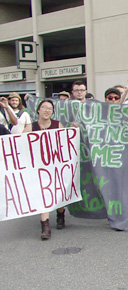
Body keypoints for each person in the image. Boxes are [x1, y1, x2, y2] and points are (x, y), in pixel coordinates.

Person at [31, 99, 65, 239]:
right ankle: (45, 226)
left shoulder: (57, 125)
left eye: (50, 108)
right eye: (44, 107)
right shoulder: (31, 126)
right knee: (43, 194)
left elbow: (65, 142)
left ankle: (60, 214)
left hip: (56, 165)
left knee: (57, 192)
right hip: (39, 167)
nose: (47, 110)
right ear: (38, 110)